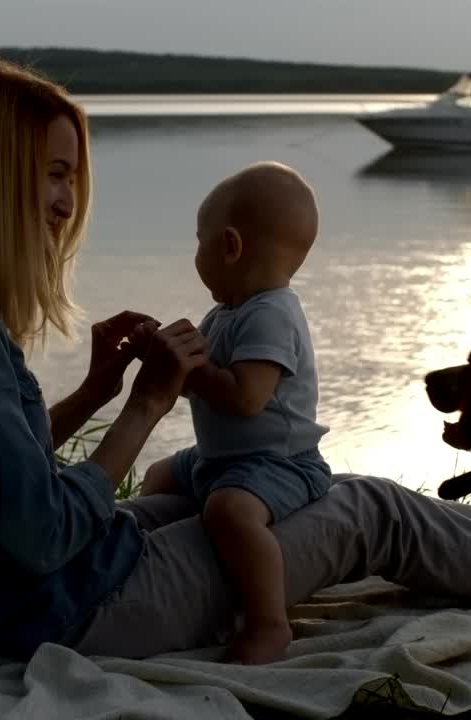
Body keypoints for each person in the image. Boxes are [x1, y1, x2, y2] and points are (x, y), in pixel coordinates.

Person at [0, 59, 471, 665]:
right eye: (55, 175)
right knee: (372, 509)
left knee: (214, 499)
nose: (67, 203)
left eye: (71, 178)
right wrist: (146, 405)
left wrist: (95, 391)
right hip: (65, 607)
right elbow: (44, 533)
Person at [139, 160, 332, 664]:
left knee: (230, 512)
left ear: (229, 245)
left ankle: (269, 622)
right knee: (159, 475)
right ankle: (164, 567)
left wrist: (195, 370)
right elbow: (205, 388)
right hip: (220, 459)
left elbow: (247, 398)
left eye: (198, 241)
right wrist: (165, 362)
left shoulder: (272, 314)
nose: (195, 253)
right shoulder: (225, 312)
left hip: (279, 462)